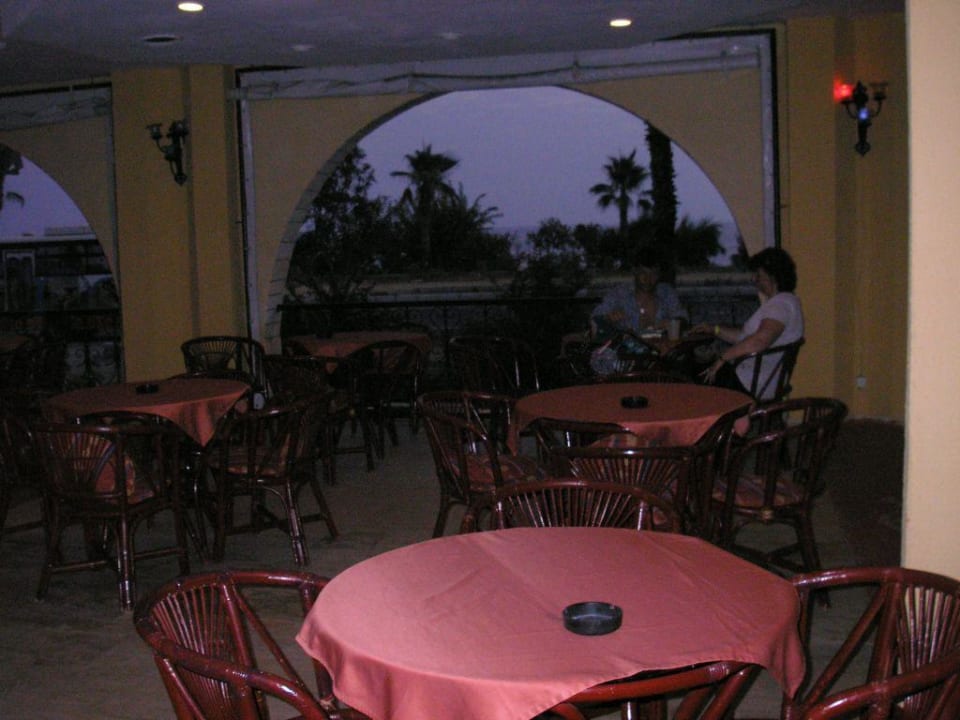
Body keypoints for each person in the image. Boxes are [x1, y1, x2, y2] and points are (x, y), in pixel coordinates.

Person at [697, 247, 804, 397]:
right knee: (697, 367)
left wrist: (723, 358)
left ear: (773, 277)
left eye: (758, 275)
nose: (754, 279)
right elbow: (744, 337)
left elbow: (760, 341)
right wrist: (714, 329)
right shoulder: (783, 302)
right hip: (755, 378)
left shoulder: (780, 305)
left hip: (753, 383)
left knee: (691, 373)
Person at [588, 249, 688, 374]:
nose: (648, 279)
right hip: (627, 361)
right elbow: (595, 318)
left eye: (653, 274)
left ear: (659, 275)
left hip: (662, 358)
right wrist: (607, 318)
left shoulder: (666, 292)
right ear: (634, 271)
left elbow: (683, 318)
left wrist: (673, 323)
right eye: (643, 273)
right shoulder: (619, 293)